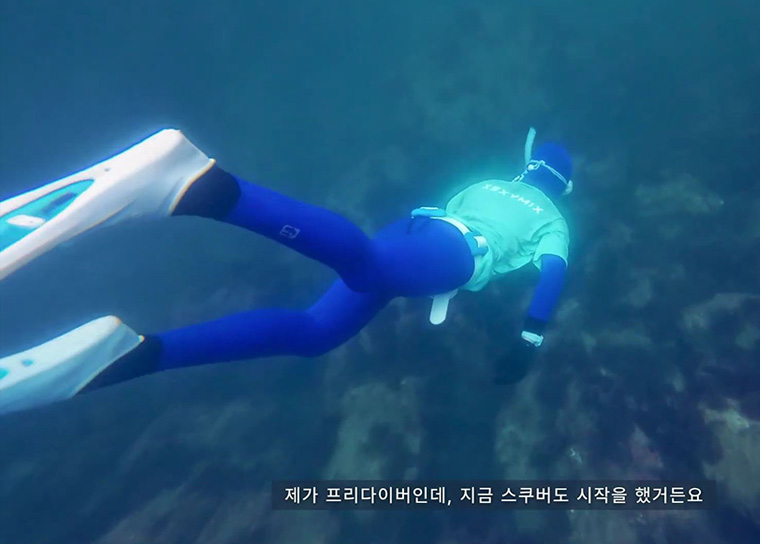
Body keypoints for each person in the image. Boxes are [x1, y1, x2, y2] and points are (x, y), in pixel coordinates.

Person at [0, 128, 572, 414]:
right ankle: (205, 190)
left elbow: (440, 214)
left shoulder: (490, 182)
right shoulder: (554, 219)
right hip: (454, 255)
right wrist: (529, 341)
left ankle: (138, 355)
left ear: (528, 166)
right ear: (562, 186)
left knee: (317, 332)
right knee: (369, 269)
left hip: (417, 233)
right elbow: (550, 277)